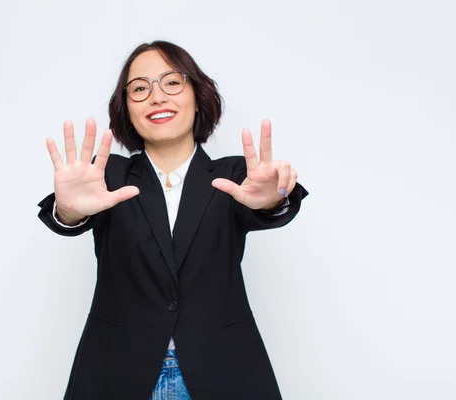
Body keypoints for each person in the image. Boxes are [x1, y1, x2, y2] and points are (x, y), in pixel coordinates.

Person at [37, 40, 309, 399]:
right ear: (126, 109)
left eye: (172, 82)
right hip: (117, 372)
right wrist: (69, 210)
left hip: (223, 371)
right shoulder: (106, 176)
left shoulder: (233, 175)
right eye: (139, 89)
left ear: (198, 94)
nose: (156, 96)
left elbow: (270, 205)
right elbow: (68, 216)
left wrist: (273, 200)